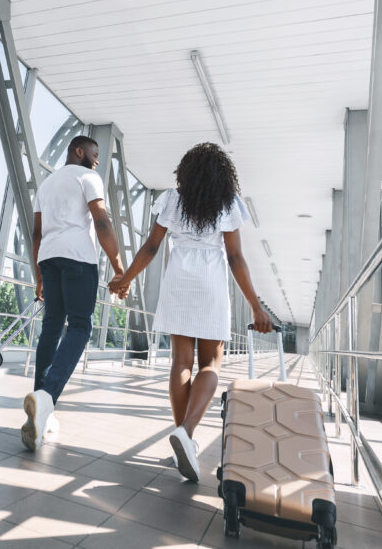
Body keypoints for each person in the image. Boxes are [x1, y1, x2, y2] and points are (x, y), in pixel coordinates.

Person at [109, 142, 272, 482]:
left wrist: (126, 278)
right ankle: (187, 432)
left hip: (179, 281)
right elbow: (235, 258)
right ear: (221, 177)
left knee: (181, 362)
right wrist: (256, 305)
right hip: (211, 282)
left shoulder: (171, 200)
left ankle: (184, 436)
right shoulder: (228, 203)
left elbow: (151, 246)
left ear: (186, 173)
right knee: (211, 364)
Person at [22, 135, 125, 451]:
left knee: (52, 327)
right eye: (94, 154)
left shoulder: (47, 185)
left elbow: (37, 233)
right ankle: (47, 396)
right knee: (80, 327)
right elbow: (102, 222)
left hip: (49, 259)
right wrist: (119, 267)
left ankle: (41, 413)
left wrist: (39, 275)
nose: (96, 161)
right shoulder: (88, 177)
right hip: (78, 258)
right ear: (79, 151)